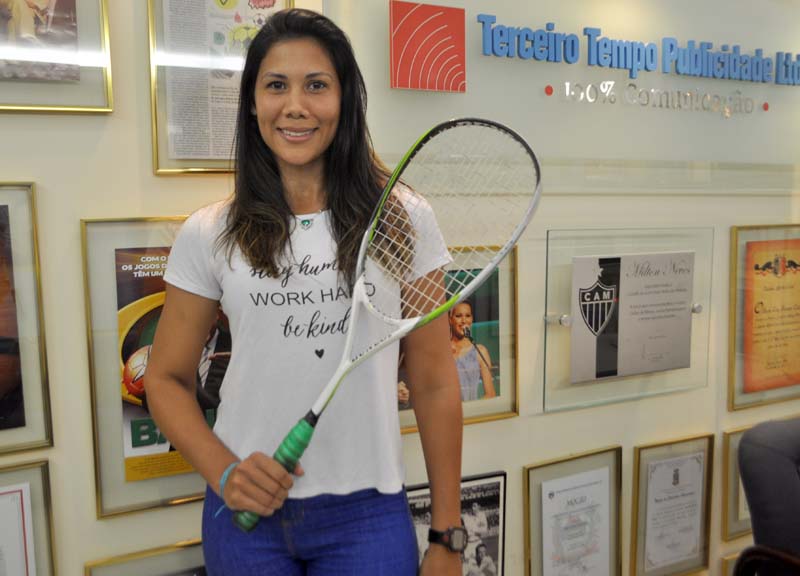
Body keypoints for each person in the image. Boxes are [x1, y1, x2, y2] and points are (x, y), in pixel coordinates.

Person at [144, 8, 463, 576]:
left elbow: (436, 383)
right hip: (244, 520)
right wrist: (225, 472)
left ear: (346, 100)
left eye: (316, 85)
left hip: (367, 515)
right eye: (276, 86)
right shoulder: (209, 232)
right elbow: (165, 381)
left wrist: (447, 533)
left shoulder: (403, 220)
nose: (295, 105)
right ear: (252, 103)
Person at [449, 301, 496, 401]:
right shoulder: (442, 350)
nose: (464, 320)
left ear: (472, 319)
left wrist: (471, 409)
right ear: (450, 319)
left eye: (468, 315)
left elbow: (490, 394)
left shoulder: (480, 351)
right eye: (458, 316)